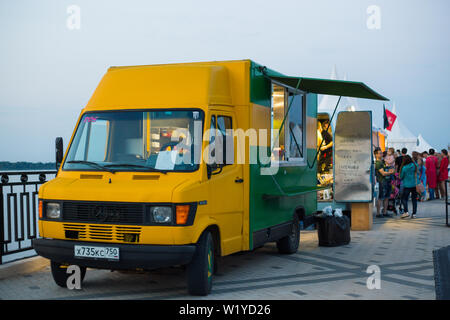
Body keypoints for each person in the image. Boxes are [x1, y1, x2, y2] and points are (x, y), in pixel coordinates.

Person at [374, 148, 394, 217]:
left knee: (387, 197)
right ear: (375, 154)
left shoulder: (382, 161)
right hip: (382, 181)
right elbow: (383, 173)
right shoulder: (378, 163)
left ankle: (385, 212)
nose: (381, 154)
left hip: (387, 181)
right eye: (379, 153)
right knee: (381, 198)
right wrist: (390, 172)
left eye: (381, 153)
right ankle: (378, 213)